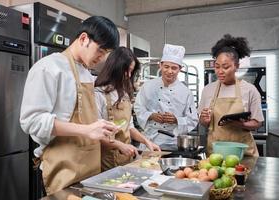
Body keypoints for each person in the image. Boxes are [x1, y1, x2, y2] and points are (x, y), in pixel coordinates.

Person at [20, 16, 120, 194]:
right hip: (63, 169)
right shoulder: (49, 67)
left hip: (89, 169)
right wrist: (87, 130)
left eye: (106, 54)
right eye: (101, 50)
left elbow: (89, 122)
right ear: (83, 39)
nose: (102, 58)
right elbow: (32, 121)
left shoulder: (87, 74)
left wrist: (101, 130)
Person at [95, 47, 160, 171]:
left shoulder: (124, 93)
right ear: (115, 67)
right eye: (126, 70)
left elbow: (129, 127)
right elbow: (96, 133)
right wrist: (120, 145)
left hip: (125, 159)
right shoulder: (98, 93)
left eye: (131, 72)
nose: (128, 75)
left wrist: (147, 142)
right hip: (106, 160)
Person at [199, 34, 264, 157]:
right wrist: (204, 119)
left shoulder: (250, 90)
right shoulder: (208, 90)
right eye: (217, 67)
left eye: (226, 67)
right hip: (215, 154)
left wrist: (239, 124)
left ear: (236, 67)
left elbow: (257, 122)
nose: (220, 71)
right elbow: (203, 122)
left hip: (242, 154)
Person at [134, 44, 199, 148]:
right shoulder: (148, 86)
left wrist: (176, 119)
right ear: (160, 65)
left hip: (172, 142)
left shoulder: (185, 92)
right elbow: (138, 108)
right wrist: (151, 115)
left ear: (180, 69)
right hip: (149, 141)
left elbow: (193, 119)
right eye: (166, 67)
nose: (169, 71)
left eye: (174, 68)